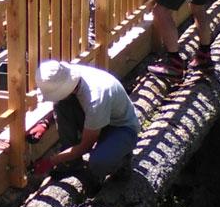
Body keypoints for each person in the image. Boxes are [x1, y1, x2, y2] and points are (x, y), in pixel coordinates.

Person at [31, 60, 139, 193]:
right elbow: (59, 101)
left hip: (121, 128)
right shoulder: (65, 75)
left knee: (99, 163)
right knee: (62, 105)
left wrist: (50, 162)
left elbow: (85, 146)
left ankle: (122, 161)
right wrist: (45, 123)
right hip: (97, 119)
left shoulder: (95, 100)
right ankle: (72, 164)